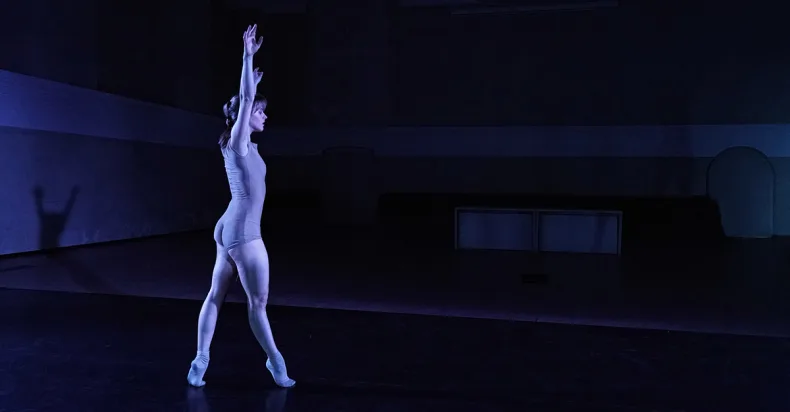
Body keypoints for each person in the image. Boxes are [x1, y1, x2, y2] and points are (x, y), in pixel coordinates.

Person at [187, 24, 295, 389]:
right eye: (260, 111)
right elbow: (246, 98)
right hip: (244, 232)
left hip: (228, 226)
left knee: (215, 295)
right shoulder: (238, 142)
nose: (264, 116)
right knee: (258, 303)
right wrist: (247, 58)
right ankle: (275, 361)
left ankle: (201, 359)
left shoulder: (243, 145)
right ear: (243, 116)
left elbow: (247, 99)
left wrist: (251, 74)